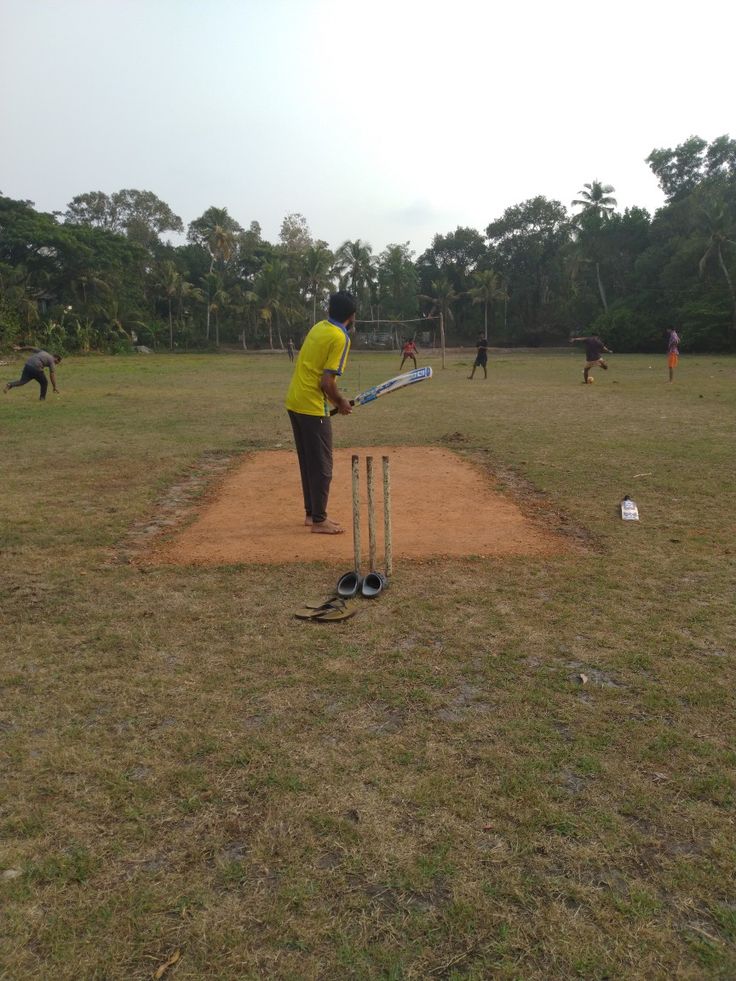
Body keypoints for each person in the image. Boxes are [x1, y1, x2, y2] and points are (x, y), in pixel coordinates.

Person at [285, 291, 356, 534]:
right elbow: (326, 382)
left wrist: (337, 402)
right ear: (352, 316)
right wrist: (340, 402)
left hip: (295, 400)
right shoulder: (341, 338)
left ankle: (311, 514)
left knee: (308, 462)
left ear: (329, 310)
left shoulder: (319, 327)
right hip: (312, 406)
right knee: (323, 465)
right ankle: (319, 519)